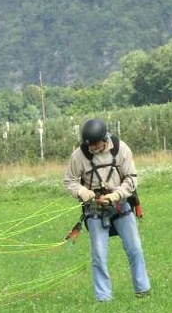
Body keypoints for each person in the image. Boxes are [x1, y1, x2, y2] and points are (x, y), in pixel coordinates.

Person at [64, 118, 151, 302]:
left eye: (96, 144)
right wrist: (83, 191)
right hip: (94, 208)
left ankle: (142, 289)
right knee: (99, 255)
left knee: (135, 249)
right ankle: (103, 297)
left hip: (120, 204)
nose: (92, 148)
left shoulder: (121, 149)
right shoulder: (78, 156)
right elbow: (70, 181)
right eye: (89, 145)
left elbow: (131, 179)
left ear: (104, 139)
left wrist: (115, 195)